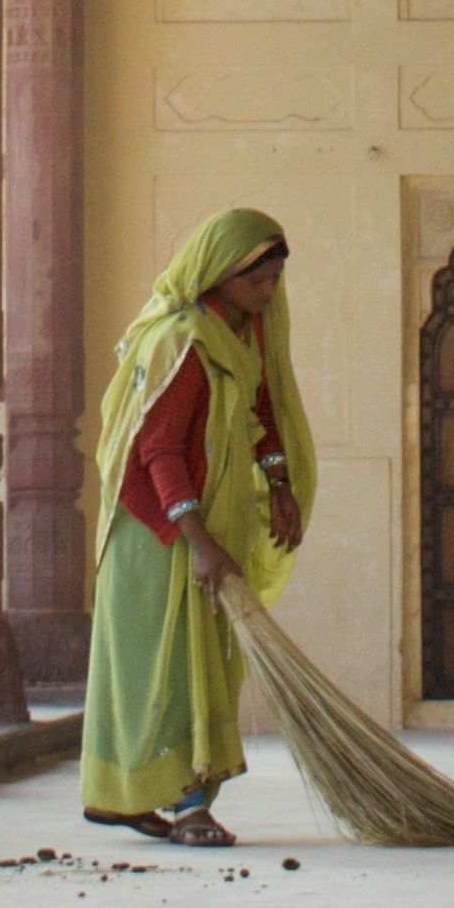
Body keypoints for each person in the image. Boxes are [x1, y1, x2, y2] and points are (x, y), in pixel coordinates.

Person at [79, 204, 317, 847]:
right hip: (159, 533)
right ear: (217, 274)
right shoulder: (182, 341)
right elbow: (156, 451)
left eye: (273, 281)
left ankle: (147, 800)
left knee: (201, 661)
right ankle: (187, 807)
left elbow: (260, 411)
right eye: (254, 281)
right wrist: (201, 543)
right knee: (172, 668)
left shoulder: (238, 335)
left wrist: (280, 484)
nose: (266, 293)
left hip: (203, 525)